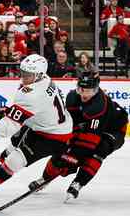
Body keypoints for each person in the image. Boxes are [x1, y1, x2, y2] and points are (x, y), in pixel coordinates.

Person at [0, 54, 73, 204]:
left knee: (14, 161)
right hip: (41, 124)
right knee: (12, 147)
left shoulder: (33, 94)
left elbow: (11, 123)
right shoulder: (44, 80)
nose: (23, 77)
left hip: (53, 136)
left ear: (39, 74)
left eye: (28, 74)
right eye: (22, 72)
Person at [29, 70, 128, 200]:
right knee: (62, 147)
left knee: (99, 150)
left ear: (96, 89)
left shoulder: (99, 106)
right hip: (89, 126)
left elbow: (88, 144)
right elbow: (69, 126)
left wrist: (71, 162)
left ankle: (78, 183)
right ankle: (45, 179)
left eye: (89, 91)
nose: (84, 94)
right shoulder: (72, 97)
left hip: (114, 129)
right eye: (81, 89)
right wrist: (64, 155)